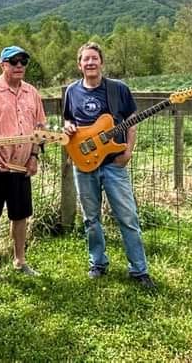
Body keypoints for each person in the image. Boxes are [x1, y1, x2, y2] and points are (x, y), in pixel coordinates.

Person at [62, 41, 156, 289]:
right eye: (86, 59)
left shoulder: (118, 89)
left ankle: (139, 270)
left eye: (94, 58)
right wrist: (68, 127)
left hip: (114, 163)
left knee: (127, 216)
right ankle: (98, 263)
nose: (90, 63)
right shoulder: (71, 91)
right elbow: (68, 121)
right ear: (79, 64)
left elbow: (132, 122)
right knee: (91, 219)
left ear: (101, 62)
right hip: (83, 164)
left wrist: (128, 151)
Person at [0, 46, 46, 282]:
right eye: (13, 62)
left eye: (23, 61)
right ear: (2, 65)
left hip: (22, 166)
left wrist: (33, 156)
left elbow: (40, 130)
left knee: (20, 215)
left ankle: (20, 260)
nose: (19, 66)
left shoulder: (32, 93)